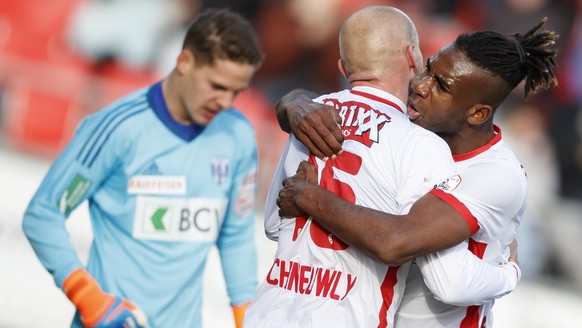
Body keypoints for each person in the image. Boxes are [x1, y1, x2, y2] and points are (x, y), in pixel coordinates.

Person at [244, 6, 521, 327]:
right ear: (413, 57)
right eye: (429, 69)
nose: (422, 86)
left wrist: (311, 197)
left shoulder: (311, 118)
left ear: (342, 66)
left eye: (441, 85)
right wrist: (509, 271)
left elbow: (274, 226)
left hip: (270, 312)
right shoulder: (419, 143)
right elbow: (444, 276)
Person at [22, 8, 263, 328]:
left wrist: (247, 315)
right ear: (185, 62)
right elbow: (43, 214)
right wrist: (88, 297)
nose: (226, 102)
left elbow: (234, 236)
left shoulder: (238, 135)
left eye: (236, 91)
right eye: (217, 86)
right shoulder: (117, 127)